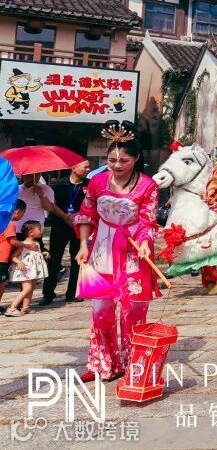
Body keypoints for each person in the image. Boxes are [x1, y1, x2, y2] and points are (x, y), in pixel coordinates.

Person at [73, 120, 160, 382]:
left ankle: (134, 364)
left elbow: (148, 220)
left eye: (124, 160)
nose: (117, 165)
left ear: (136, 159)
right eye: (112, 160)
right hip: (102, 248)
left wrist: (144, 242)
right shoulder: (97, 182)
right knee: (101, 310)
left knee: (133, 310)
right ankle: (103, 364)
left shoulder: (147, 185)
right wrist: (83, 246)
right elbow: (87, 214)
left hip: (133, 249)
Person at [41, 160, 90, 305]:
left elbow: (91, 204)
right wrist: (65, 217)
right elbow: (52, 204)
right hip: (60, 225)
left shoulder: (89, 184)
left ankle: (72, 293)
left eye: (89, 167)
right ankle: (48, 293)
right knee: (54, 259)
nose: (87, 169)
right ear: (74, 168)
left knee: (77, 259)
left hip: (80, 226)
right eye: (85, 167)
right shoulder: (59, 184)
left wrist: (78, 216)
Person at [5, 220, 47, 316]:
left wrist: (43, 253)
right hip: (26, 270)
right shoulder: (23, 244)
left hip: (34, 271)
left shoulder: (37, 243)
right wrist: (19, 262)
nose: (41, 231)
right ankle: (12, 308)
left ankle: (26, 307)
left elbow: (34, 254)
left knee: (31, 288)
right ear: (31, 232)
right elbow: (13, 257)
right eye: (39, 229)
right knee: (27, 288)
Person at [0, 201, 26, 312]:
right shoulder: (9, 224)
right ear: (17, 211)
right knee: (2, 282)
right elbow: (13, 241)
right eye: (23, 213)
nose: (22, 216)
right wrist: (26, 245)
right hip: (1, 258)